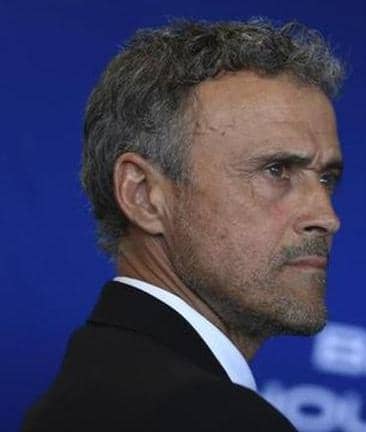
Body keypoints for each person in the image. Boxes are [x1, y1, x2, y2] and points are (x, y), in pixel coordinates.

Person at [23, 18, 345, 431]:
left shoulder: (97, 388)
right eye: (276, 170)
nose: (326, 217)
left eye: (326, 178)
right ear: (143, 195)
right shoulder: (208, 418)